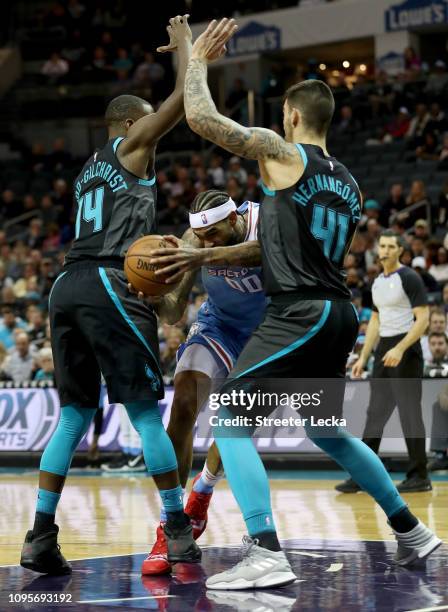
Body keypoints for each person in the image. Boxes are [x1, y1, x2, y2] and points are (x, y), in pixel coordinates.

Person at [151, 18, 441, 590]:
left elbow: (202, 119)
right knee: (328, 430)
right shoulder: (352, 184)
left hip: (299, 312)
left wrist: (198, 62)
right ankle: (411, 529)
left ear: (290, 116)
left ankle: (264, 550)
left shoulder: (285, 154)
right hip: (339, 314)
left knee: (231, 416)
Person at [20, 15, 201, 577]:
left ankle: (40, 538)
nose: (153, 137)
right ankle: (177, 531)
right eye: (144, 126)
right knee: (147, 412)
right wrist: (189, 52)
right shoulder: (129, 142)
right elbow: (181, 105)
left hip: (66, 285)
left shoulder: (87, 174)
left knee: (73, 415)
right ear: (126, 124)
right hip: (106, 283)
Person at [139, 189, 265, 575]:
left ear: (233, 221)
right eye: (201, 238)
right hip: (219, 325)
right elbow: (175, 311)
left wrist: (202, 255)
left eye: (213, 237)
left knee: (234, 424)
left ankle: (203, 492)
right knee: (183, 404)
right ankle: (172, 522)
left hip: (267, 332)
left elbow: (263, 252)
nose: (205, 243)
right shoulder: (195, 238)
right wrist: (154, 293)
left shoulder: (268, 219)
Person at [336, 231, 431, 494]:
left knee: (409, 413)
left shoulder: (409, 277)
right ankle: (362, 476)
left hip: (406, 348)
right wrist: (364, 357)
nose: (386, 251)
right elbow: (376, 321)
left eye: (391, 246)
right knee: (374, 415)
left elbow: (422, 319)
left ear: (400, 250)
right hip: (384, 349)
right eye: (383, 246)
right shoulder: (377, 282)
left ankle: (419, 476)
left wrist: (401, 348)